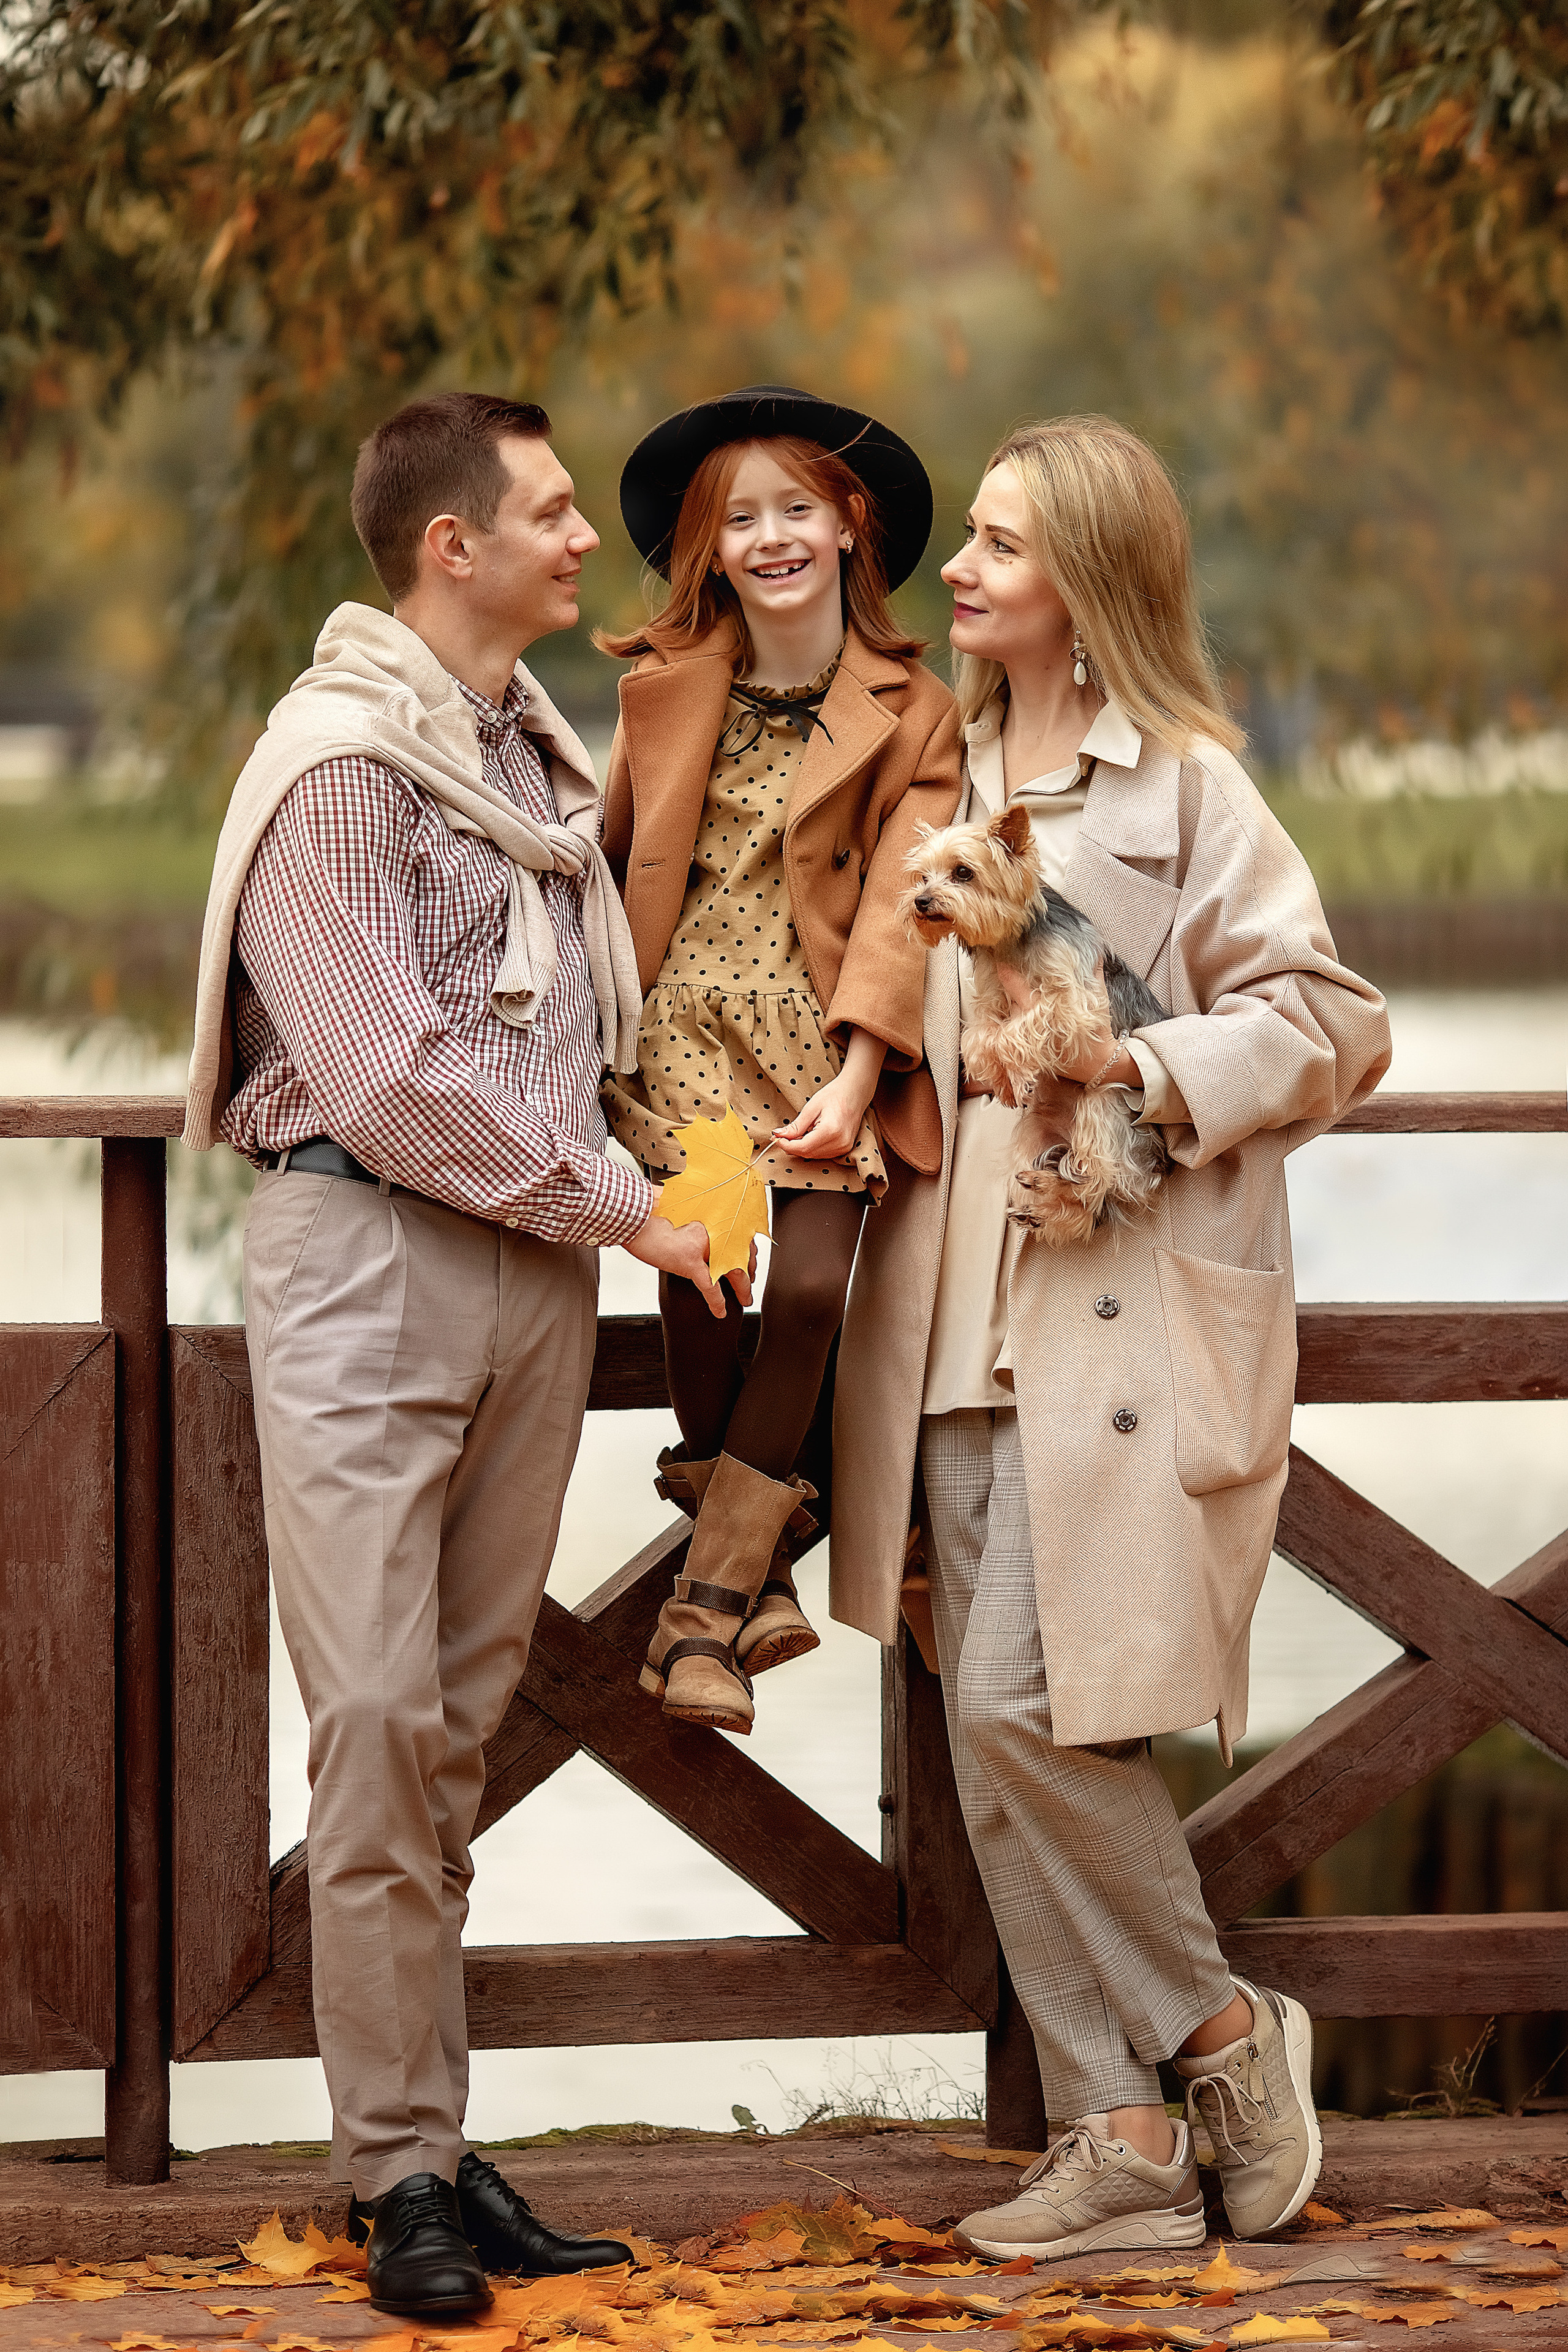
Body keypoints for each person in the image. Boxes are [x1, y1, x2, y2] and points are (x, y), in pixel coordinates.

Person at [183, 393, 733, 2316]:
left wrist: (706, 1159)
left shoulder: (522, 753)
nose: (589, 539)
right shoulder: (337, 773)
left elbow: (559, 1037)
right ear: (451, 546)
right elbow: (391, 1074)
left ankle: (431, 2137)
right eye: (558, 513)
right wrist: (627, 1212)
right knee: (373, 1724)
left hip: (527, 1275)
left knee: (460, 1721)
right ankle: (396, 2173)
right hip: (370, 1255)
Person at [831, 415, 1392, 2258]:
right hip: (955, 1327)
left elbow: (1328, 1018)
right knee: (995, 1741)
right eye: (967, 544)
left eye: (998, 546)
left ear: (1089, 581)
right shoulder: (943, 776)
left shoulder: (1191, 792)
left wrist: (1133, 1060)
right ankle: (1123, 2143)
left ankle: (1224, 2037)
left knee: (1028, 1708)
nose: (961, 572)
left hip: (1126, 1323)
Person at [597, 384, 962, 1736]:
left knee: (809, 1292)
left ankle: (712, 1597)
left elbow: (906, 906)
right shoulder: (661, 692)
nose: (768, 537)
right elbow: (609, 874)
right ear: (705, 546)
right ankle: (734, 1602)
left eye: (794, 508)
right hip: (684, 1031)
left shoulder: (916, 711)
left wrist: (863, 1072)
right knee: (710, 1278)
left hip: (819, 1045)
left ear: (850, 523)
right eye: (736, 518)